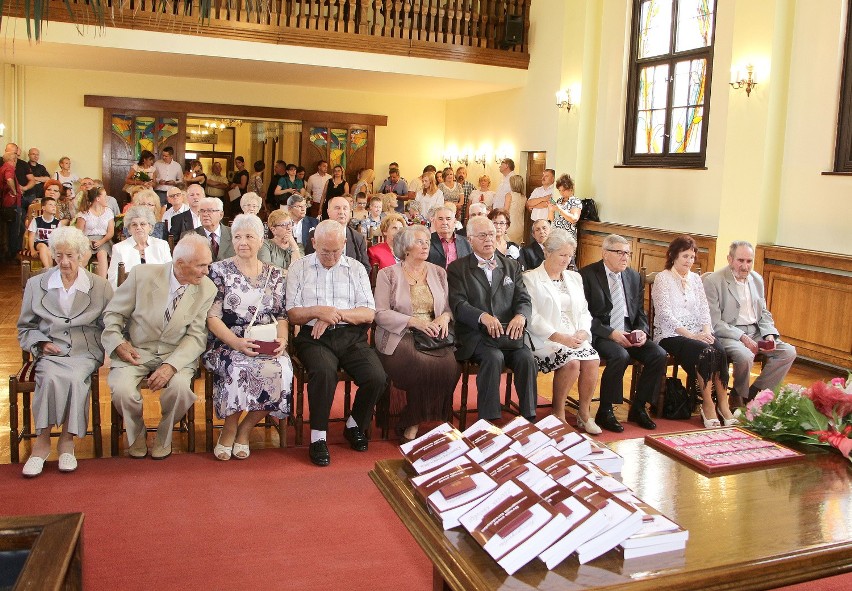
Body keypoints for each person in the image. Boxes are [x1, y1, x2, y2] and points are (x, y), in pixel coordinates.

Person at [103, 234, 216, 459]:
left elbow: (196, 336)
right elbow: (113, 313)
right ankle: (136, 434)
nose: (207, 271)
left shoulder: (206, 289)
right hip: (137, 350)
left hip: (176, 353)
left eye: (208, 265)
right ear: (181, 264)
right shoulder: (142, 275)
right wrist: (118, 343)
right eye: (201, 266)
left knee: (181, 390)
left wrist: (171, 366)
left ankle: (165, 434)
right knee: (123, 390)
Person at [286, 220, 387, 466]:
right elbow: (293, 313)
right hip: (313, 338)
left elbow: (368, 313)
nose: (331, 256)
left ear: (344, 244)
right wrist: (318, 311)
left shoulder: (356, 269)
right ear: (313, 244)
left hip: (350, 334)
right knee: (323, 372)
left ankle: (354, 424)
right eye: (324, 251)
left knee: (377, 377)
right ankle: (318, 437)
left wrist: (335, 315)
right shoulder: (299, 268)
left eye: (336, 250)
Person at [17, 226, 113, 476]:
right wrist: (40, 343)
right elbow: (25, 327)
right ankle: (42, 444)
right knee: (48, 377)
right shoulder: (36, 284)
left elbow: (111, 325)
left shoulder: (100, 286)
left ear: (82, 256)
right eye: (59, 255)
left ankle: (67, 443)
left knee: (73, 378)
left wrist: (114, 349)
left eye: (70, 255)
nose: (64, 262)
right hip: (51, 350)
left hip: (84, 351)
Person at [203, 214, 293, 460]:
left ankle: (245, 428)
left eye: (249, 236)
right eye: (238, 237)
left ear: (261, 240)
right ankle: (229, 429)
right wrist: (237, 343)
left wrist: (282, 340)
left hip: (266, 340)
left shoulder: (276, 275)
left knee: (282, 368)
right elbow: (211, 318)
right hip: (227, 341)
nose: (243, 242)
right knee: (239, 367)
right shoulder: (219, 271)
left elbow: (282, 315)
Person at [447, 215, 538, 422]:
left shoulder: (511, 266)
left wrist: (521, 316)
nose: (488, 239)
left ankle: (529, 417)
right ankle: (489, 419)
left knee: (527, 358)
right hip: (476, 335)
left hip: (509, 334)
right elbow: (459, 304)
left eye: (491, 234)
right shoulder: (457, 269)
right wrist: (482, 317)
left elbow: (523, 299)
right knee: (493, 358)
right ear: (469, 239)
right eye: (482, 235)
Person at [374, 225, 460, 443]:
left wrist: (444, 318)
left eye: (427, 242)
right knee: (421, 365)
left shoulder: (438, 272)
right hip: (399, 334)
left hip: (433, 335)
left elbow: (449, 308)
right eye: (419, 242)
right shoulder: (388, 275)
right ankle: (412, 424)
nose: (425, 246)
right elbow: (380, 314)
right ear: (406, 247)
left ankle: (416, 418)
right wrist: (414, 322)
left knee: (451, 366)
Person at [579, 234, 665, 431]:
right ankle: (605, 410)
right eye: (619, 252)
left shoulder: (633, 276)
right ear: (605, 253)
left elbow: (640, 312)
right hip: (601, 332)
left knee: (658, 355)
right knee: (620, 355)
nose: (625, 257)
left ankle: (639, 406)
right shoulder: (588, 275)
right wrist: (611, 333)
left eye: (627, 253)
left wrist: (641, 330)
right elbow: (584, 315)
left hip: (628, 330)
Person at [652, 235, 734, 428]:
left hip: (698, 331)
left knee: (720, 351)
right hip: (671, 334)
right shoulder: (662, 279)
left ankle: (723, 404)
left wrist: (706, 330)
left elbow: (705, 310)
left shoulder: (696, 279)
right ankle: (708, 405)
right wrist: (692, 336)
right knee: (705, 352)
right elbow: (665, 315)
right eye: (685, 256)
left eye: (692, 256)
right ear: (673, 256)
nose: (689, 261)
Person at [703, 241, 797, 407]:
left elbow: (764, 313)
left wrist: (769, 334)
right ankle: (738, 394)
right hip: (729, 334)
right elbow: (715, 322)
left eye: (749, 261)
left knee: (788, 352)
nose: (745, 266)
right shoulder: (714, 281)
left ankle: (755, 393)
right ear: (730, 259)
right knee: (745, 355)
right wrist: (742, 337)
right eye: (741, 260)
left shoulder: (757, 279)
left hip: (756, 332)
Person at [524, 229, 600, 431]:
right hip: (545, 337)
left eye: (569, 255)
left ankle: (584, 413)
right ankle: (558, 412)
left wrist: (583, 331)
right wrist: (559, 337)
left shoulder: (575, 278)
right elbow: (532, 317)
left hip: (573, 335)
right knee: (572, 363)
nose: (566, 260)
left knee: (592, 360)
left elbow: (584, 310)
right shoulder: (531, 278)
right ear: (547, 253)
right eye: (562, 255)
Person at [108, 205, 172, 288]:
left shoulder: (162, 245)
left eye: (143, 224)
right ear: (129, 229)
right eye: (134, 225)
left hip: (157, 293)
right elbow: (113, 278)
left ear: (150, 227)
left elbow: (170, 274)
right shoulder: (119, 248)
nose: (138, 227)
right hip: (130, 295)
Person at [75, 186, 114, 278]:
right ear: (98, 199)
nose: (107, 198)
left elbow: (110, 232)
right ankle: (77, 278)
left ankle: (102, 282)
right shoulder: (84, 213)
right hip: (87, 239)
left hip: (104, 239)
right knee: (86, 254)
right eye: (105, 196)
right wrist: (88, 242)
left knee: (102, 254)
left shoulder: (108, 211)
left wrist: (101, 241)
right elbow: (78, 233)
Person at [325, 195, 371, 273]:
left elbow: (365, 267)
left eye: (345, 208)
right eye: (337, 208)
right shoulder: (317, 234)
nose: (341, 212)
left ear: (350, 212)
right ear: (328, 212)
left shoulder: (358, 238)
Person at [427, 205, 472, 269]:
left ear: (455, 221)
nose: (444, 222)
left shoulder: (466, 242)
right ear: (434, 221)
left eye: (448, 219)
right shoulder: (427, 241)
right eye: (440, 219)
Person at [27, 193, 61, 268]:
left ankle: (49, 269)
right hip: (39, 243)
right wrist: (32, 250)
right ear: (43, 208)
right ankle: (48, 270)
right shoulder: (36, 220)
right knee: (43, 247)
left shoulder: (57, 222)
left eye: (55, 205)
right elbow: (31, 236)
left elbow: (58, 238)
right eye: (50, 205)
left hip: (51, 245)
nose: (53, 207)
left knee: (48, 250)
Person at [196, 197, 235, 261]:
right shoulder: (190, 236)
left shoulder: (234, 234)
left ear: (221, 215)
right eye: (202, 211)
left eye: (210, 211)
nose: (205, 214)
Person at [552, 173, 582, 242]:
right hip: (555, 235)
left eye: (563, 190)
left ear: (570, 189)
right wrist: (551, 210)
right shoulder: (559, 200)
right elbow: (552, 219)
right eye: (559, 190)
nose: (561, 193)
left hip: (567, 237)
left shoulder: (575, 201)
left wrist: (560, 210)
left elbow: (574, 219)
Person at [507, 175, 526, 244]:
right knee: (517, 248)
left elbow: (505, 211)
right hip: (520, 226)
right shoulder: (524, 197)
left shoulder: (509, 195)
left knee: (507, 247)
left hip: (510, 225)